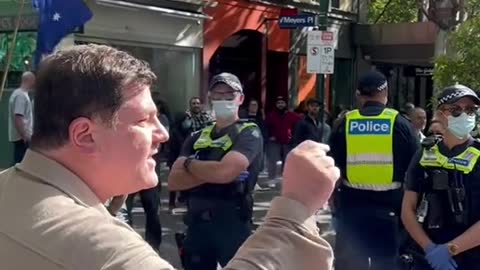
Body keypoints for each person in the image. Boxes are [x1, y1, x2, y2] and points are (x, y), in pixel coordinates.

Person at [0, 44, 339, 270]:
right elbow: (186, 175)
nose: (161, 134)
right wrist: (293, 210)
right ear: (85, 135)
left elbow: (206, 171)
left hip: (229, 221)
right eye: (144, 120)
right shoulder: (107, 250)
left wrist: (191, 168)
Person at [168, 72, 263, 269]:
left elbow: (225, 172)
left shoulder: (249, 132)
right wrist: (217, 171)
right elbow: (174, 180)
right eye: (217, 95)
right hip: (197, 224)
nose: (223, 100)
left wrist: (191, 166)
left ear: (240, 99)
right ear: (209, 97)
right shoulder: (197, 135)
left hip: (232, 222)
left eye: (229, 95)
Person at [329, 70, 419, 270]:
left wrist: (332, 199)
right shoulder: (400, 124)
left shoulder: (344, 123)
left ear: (359, 95)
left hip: (351, 207)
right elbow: (415, 168)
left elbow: (332, 166)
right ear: (385, 92)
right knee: (387, 263)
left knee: (351, 264)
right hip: (390, 209)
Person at [401, 85, 480, 270]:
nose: (465, 115)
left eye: (470, 110)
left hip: (472, 257)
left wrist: (449, 250)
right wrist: (430, 248)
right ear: (441, 114)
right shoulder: (424, 154)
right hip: (428, 255)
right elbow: (407, 209)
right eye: (456, 110)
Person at [265, 96, 302, 181]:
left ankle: (287, 179)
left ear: (285, 104)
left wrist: (293, 136)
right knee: (273, 161)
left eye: (282, 103)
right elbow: (266, 127)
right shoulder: (271, 115)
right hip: (274, 142)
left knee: (288, 161)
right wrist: (269, 136)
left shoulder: (292, 116)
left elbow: (299, 125)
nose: (280, 105)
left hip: (288, 142)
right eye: (278, 103)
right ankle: (272, 178)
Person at [8, 71, 35, 163]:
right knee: (20, 163)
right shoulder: (21, 96)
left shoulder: (18, 94)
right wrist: (25, 136)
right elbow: (18, 117)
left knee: (19, 162)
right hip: (21, 138)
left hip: (19, 137)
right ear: (30, 80)